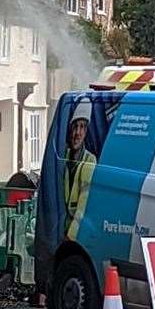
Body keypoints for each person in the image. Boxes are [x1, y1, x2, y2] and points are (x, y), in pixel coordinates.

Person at [63, 98, 97, 243]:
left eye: (82, 127)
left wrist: (70, 237)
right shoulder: (63, 157)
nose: (78, 132)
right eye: (75, 126)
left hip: (77, 233)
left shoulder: (89, 161)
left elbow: (84, 205)